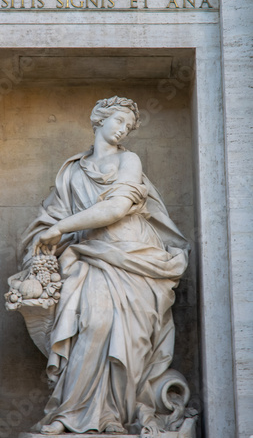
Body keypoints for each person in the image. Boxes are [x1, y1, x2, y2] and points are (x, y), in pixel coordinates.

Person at [16, 96, 190, 435]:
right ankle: (72, 414)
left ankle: (115, 415)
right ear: (99, 119)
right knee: (94, 323)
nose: (124, 129)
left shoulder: (130, 161)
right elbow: (50, 217)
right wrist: (47, 238)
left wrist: (60, 229)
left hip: (134, 257)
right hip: (90, 256)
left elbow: (114, 209)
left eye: (129, 125)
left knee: (131, 337)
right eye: (119, 121)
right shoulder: (71, 171)